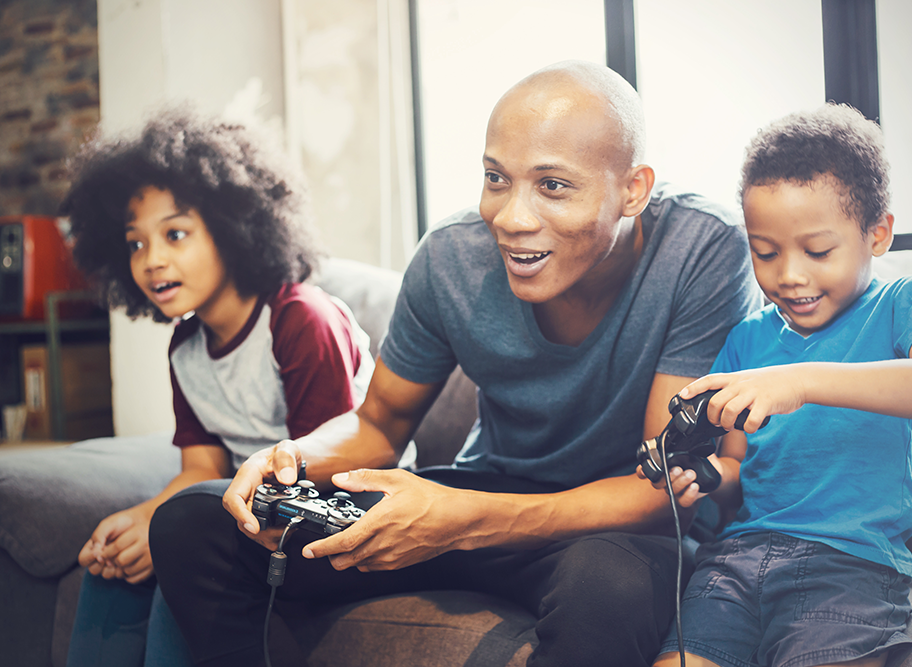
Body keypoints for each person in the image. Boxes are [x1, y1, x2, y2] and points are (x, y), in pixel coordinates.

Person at [148, 60, 761, 667]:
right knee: (196, 522)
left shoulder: (703, 249)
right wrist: (295, 455)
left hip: (609, 524)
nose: (512, 218)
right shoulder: (449, 257)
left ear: (633, 189)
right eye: (497, 178)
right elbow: (380, 423)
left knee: (612, 588)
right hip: (484, 489)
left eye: (553, 185)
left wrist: (466, 522)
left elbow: (659, 489)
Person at [646, 103, 912, 667]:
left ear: (877, 234)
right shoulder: (747, 339)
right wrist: (703, 478)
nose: (789, 275)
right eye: (766, 252)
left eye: (818, 251)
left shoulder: (905, 302)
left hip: (847, 566)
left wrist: (802, 382)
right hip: (733, 563)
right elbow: (738, 470)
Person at [60, 107, 375, 667]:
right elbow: (200, 468)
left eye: (175, 234)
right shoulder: (185, 345)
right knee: (113, 563)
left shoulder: (301, 321)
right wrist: (142, 519)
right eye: (135, 244)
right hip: (238, 507)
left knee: (182, 555)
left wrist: (169, 531)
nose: (152, 260)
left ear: (234, 228)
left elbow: (332, 471)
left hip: (340, 509)